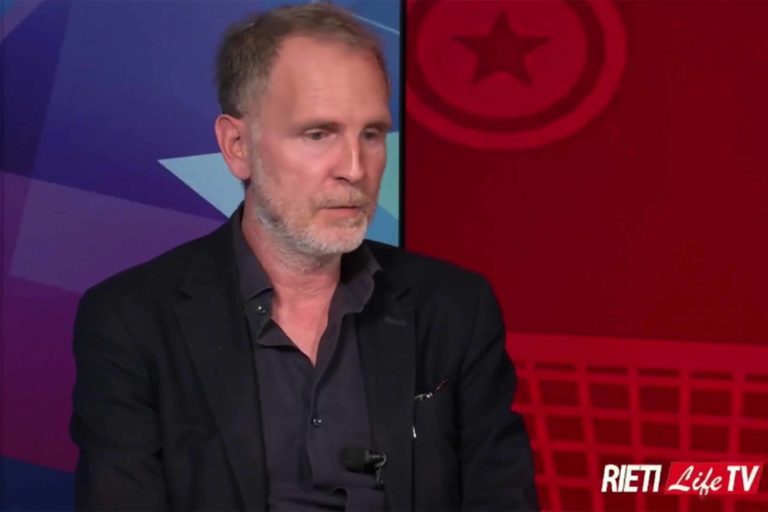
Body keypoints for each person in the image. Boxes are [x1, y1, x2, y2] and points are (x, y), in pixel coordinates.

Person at [70, 3, 538, 511]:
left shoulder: (455, 308)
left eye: (372, 134)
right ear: (237, 145)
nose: (355, 168)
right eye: (318, 134)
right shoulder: (132, 321)